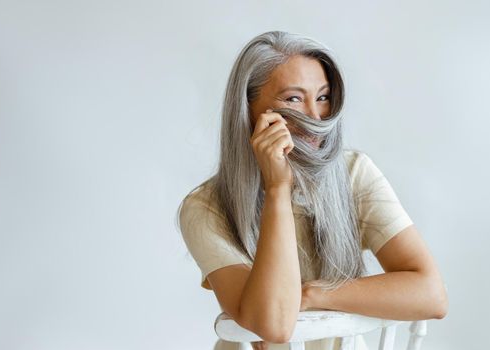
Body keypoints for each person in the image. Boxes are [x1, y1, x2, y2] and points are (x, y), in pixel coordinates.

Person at [176, 31, 448, 350]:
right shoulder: (205, 207)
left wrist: (312, 294)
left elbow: (431, 294)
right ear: (248, 109)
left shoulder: (353, 173)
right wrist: (278, 188)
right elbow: (274, 325)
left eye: (322, 97)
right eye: (293, 99)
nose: (316, 118)